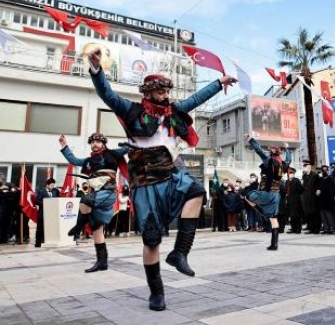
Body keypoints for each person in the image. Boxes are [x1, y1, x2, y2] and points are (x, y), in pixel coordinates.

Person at [88, 47, 237, 311]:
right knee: (152, 238)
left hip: (170, 170)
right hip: (145, 179)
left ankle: (179, 253)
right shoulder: (131, 110)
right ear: (147, 92)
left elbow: (196, 98)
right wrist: (97, 70)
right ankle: (156, 293)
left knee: (196, 192)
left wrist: (219, 83)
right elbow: (107, 94)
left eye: (167, 91)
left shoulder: (173, 111)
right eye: (160, 92)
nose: (166, 95)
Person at [60, 133, 129, 271]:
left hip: (108, 193)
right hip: (96, 194)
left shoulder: (113, 154)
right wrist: (64, 146)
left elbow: (129, 146)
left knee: (85, 200)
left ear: (103, 143)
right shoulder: (89, 160)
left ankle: (78, 226)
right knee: (97, 229)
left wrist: (135, 133)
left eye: (97, 141)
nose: (94, 144)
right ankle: (102, 262)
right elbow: (73, 160)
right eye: (92, 142)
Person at [243, 134, 291, 250]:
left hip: (267, 193)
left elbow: (259, 150)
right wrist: (288, 149)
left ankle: (262, 212)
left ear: (271, 153)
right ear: (279, 154)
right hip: (276, 195)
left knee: (248, 196)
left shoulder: (269, 161)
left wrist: (250, 139)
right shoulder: (284, 165)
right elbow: (289, 159)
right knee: (274, 219)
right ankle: (274, 244)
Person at [35, 178, 60, 248]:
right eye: (51, 185)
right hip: (42, 213)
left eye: (53, 185)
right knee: (40, 228)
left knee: (50, 227)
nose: (52, 187)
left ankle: (49, 241)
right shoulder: (41, 191)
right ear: (47, 185)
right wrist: (46, 203)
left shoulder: (55, 191)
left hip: (52, 213)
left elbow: (58, 199)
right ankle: (38, 243)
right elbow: (37, 201)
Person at [301, 160, 321, 234]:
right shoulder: (304, 176)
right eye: (304, 167)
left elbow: (319, 185)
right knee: (309, 214)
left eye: (305, 167)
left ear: (309, 167)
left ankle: (316, 229)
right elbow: (303, 186)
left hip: (313, 197)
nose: (304, 168)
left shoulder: (315, 175)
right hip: (306, 197)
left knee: (315, 213)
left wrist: (319, 190)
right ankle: (311, 228)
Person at [285, 168, 303, 234]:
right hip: (289, 200)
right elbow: (286, 190)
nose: (290, 175)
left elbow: (300, 189)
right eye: (289, 174)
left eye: (291, 173)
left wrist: (296, 195)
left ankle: (298, 228)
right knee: (291, 216)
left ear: (294, 174)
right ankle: (293, 228)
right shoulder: (287, 181)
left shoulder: (296, 180)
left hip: (296, 200)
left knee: (297, 215)